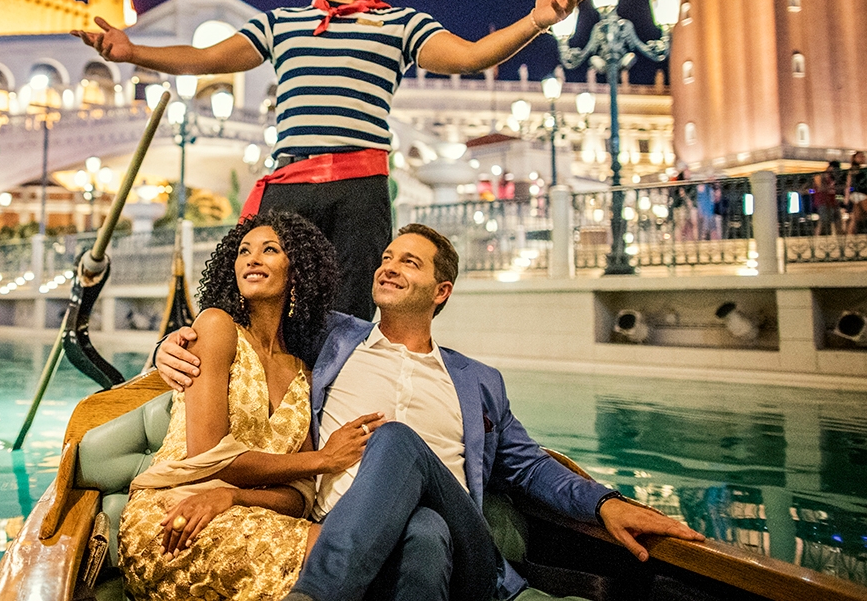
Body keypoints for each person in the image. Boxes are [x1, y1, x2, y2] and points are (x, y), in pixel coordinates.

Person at [73, 0, 600, 322]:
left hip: (360, 189)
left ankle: (330, 429)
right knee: (264, 306)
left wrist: (538, 20)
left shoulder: (403, 24)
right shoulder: (283, 23)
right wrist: (131, 52)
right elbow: (206, 59)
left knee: (349, 312)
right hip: (290, 185)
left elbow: (470, 56)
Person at [155, 224, 705, 601]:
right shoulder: (329, 341)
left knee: (396, 442)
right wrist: (171, 349)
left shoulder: (477, 382)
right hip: (351, 534)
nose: (389, 268)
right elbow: (251, 331)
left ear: (441, 291)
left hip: (469, 552)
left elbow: (530, 465)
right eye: (387, 258)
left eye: (409, 263)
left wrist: (603, 502)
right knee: (421, 531)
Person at [119, 210, 386, 601]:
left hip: (244, 514)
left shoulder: (304, 376)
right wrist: (323, 459)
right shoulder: (216, 327)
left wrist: (233, 495)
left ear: (297, 272)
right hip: (172, 515)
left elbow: (299, 497)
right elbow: (207, 453)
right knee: (337, 554)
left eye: (270, 250)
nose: (252, 259)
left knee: (345, 553)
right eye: (244, 251)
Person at [843, 151, 866, 235]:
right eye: (860, 156)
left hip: (857, 195)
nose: (863, 158)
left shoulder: (856, 169)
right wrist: (846, 199)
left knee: (855, 217)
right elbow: (848, 185)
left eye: (863, 156)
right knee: (857, 216)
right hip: (859, 194)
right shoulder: (855, 170)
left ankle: (850, 234)